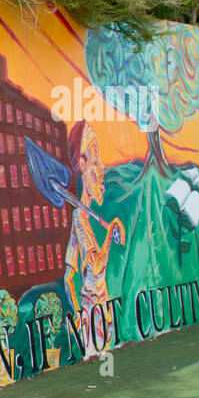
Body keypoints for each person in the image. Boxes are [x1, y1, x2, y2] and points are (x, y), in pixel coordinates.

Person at [62, 121, 124, 353]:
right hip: (95, 317)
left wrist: (78, 314)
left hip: (95, 314)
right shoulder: (79, 218)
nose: (102, 169)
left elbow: (69, 277)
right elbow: (96, 267)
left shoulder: (83, 219)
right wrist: (110, 232)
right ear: (83, 165)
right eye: (96, 161)